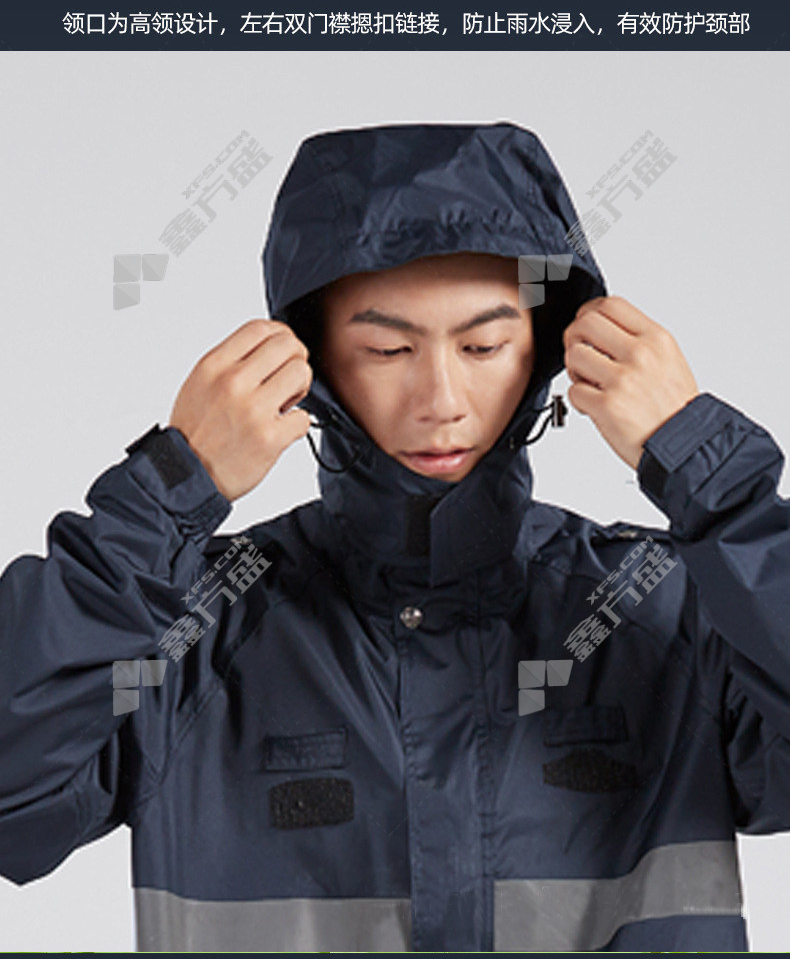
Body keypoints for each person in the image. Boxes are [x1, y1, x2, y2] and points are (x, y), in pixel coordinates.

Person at [0, 120, 788, 953]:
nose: (440, 399)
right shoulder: (200, 636)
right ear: (311, 361)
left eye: (483, 345)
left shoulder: (661, 612)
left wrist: (711, 476)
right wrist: (167, 493)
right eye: (386, 349)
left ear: (544, 351)